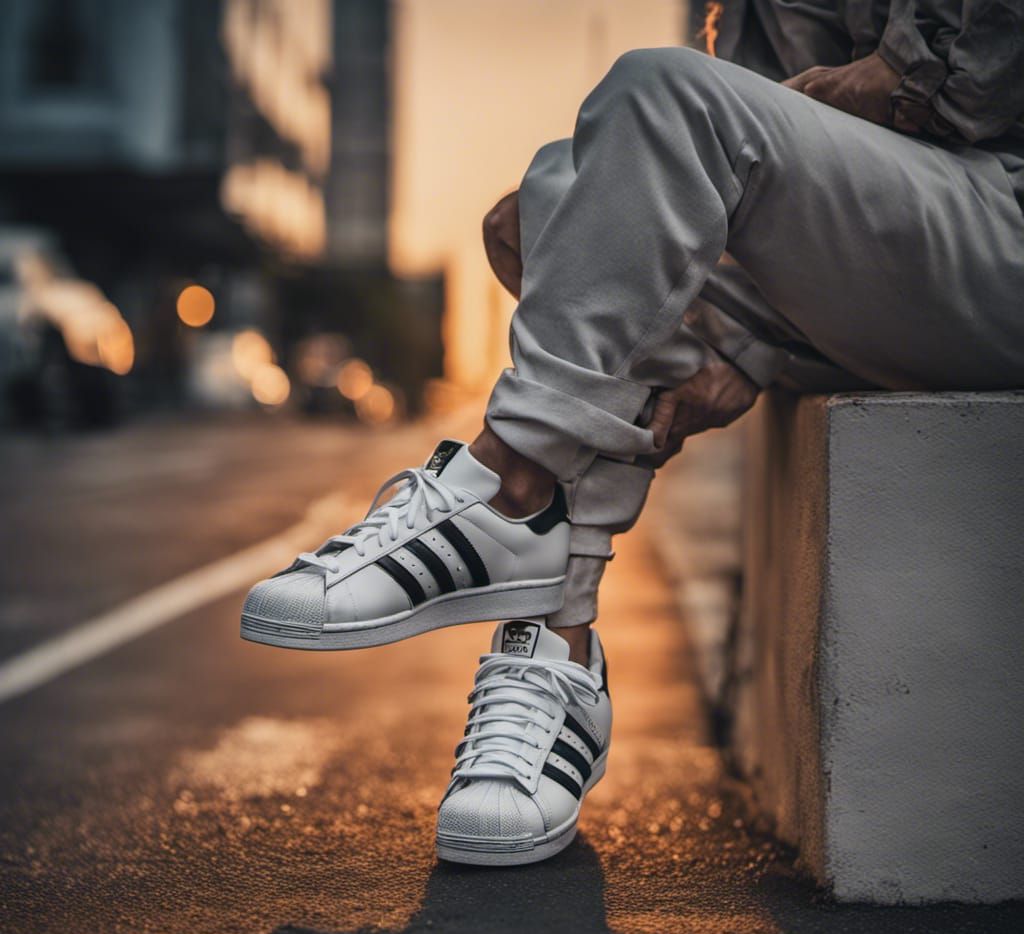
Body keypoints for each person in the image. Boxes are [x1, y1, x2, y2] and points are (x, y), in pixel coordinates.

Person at [241, 0, 1024, 867]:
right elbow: (758, 174)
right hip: (891, 259)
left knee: (662, 93)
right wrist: (746, 348)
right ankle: (558, 645)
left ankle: (509, 493)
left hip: (1000, 214)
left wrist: (899, 77)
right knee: (544, 208)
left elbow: (969, 84)